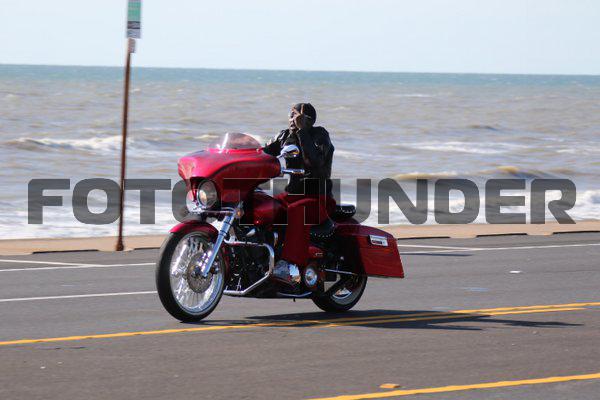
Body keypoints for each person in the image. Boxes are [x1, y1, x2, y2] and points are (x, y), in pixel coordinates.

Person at [263, 103, 335, 285]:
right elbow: (262, 154)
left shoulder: (320, 135)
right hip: (292, 196)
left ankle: (289, 265)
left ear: (308, 121)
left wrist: (302, 131)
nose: (292, 119)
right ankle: (262, 256)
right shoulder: (284, 136)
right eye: (290, 115)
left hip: (318, 199)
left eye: (296, 116)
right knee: (263, 206)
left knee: (297, 210)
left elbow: (315, 161)